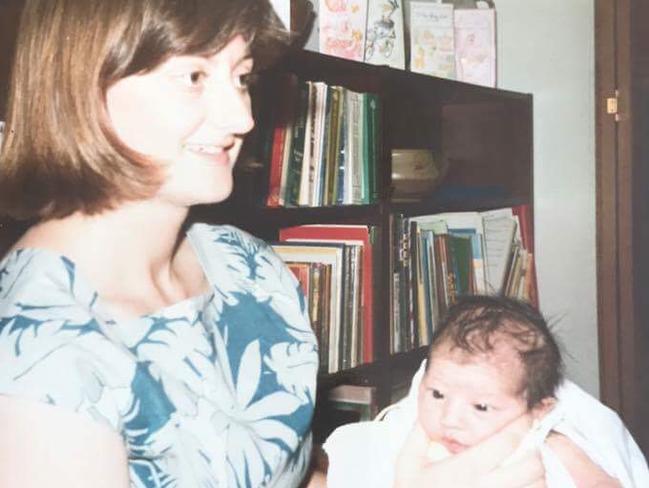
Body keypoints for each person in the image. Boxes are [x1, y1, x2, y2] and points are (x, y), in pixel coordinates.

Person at [0, 0, 320, 486]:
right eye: (193, 77)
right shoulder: (37, 354)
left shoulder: (251, 268)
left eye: (241, 78)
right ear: (83, 85)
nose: (241, 118)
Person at [323, 296, 649, 487]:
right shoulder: (411, 432)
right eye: (436, 394)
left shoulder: (555, 446)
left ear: (537, 409)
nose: (449, 419)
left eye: (480, 407)